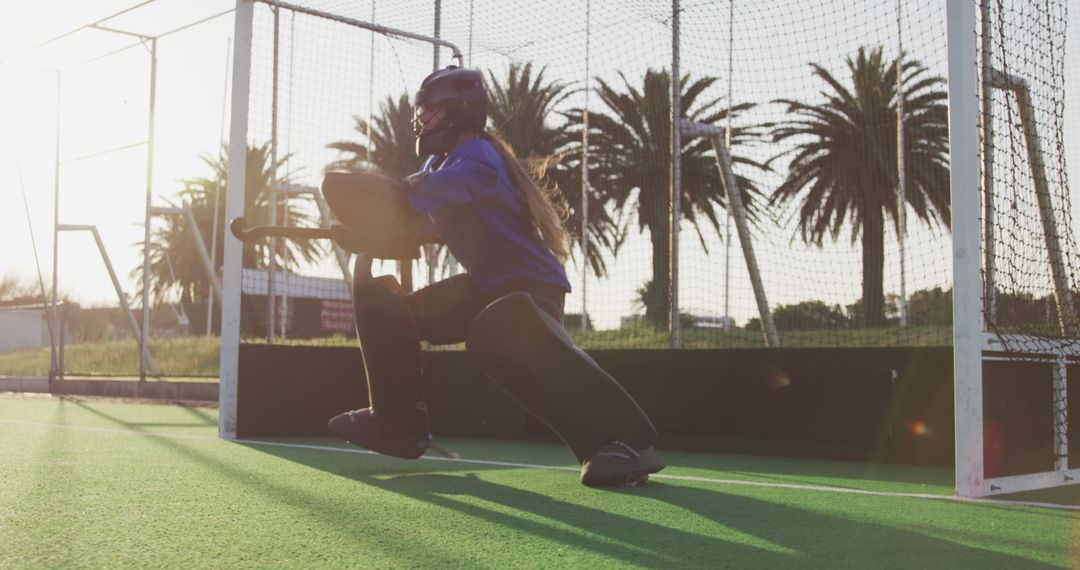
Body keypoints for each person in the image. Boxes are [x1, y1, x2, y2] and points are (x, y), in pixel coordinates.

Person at [328, 66, 664, 487]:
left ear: (458, 112)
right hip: (486, 288)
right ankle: (396, 424)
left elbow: (422, 197)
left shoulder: (478, 158)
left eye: (429, 112)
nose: (421, 121)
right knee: (391, 311)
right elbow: (420, 230)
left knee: (514, 348)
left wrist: (380, 204)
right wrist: (366, 234)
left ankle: (624, 443)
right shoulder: (439, 163)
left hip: (530, 285)